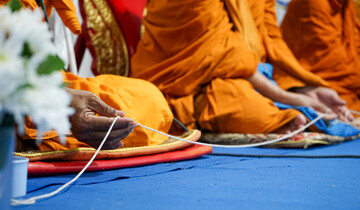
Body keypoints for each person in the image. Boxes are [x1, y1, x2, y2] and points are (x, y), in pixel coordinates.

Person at [131, 0, 353, 135]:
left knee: (300, 105)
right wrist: (286, 97)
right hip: (190, 77)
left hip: (248, 72)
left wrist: (301, 88)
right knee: (238, 102)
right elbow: (217, 51)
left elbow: (269, 40)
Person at [6, 0, 173, 151]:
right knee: (146, 104)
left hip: (41, 79)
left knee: (148, 96)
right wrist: (59, 100)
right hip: (17, 90)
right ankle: (24, 134)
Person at [280, 0, 360, 114]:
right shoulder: (313, 3)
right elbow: (333, 65)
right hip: (321, 87)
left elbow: (355, 46)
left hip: (350, 89)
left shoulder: (346, 4)